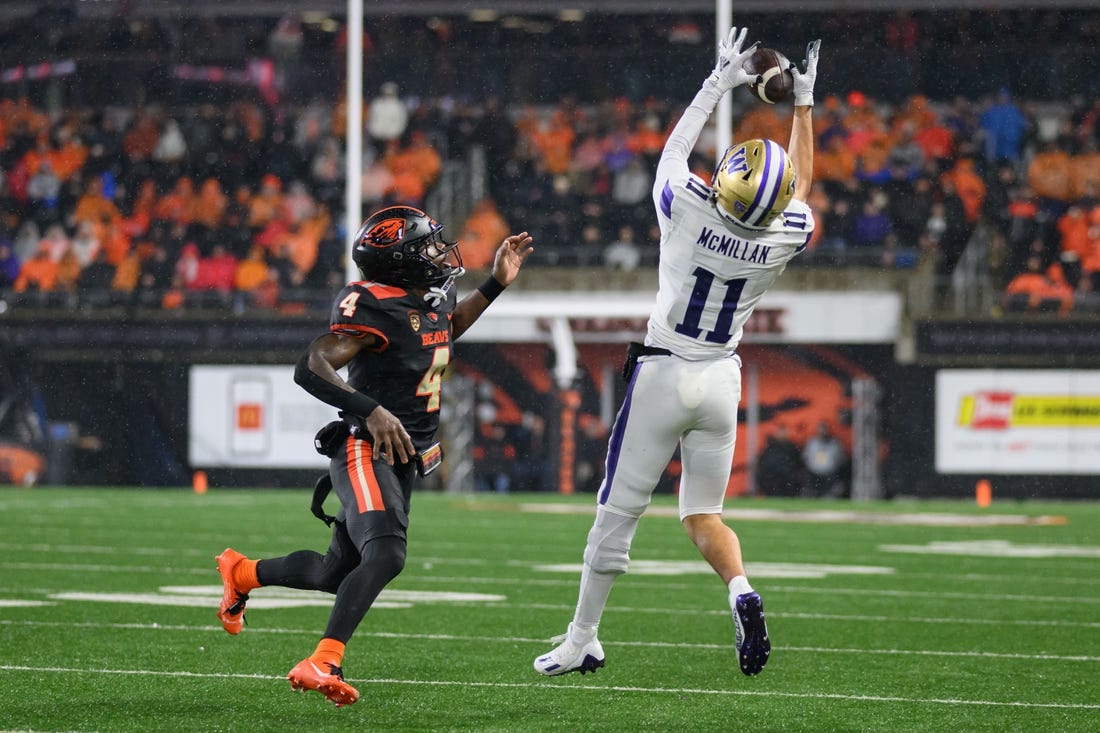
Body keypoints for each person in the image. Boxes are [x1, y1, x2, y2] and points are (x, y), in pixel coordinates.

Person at [533, 27, 819, 679]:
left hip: (665, 371)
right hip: (722, 379)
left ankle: (584, 636)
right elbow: (798, 186)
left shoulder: (690, 208)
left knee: (616, 514)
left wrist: (718, 79)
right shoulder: (787, 234)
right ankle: (740, 588)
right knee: (704, 514)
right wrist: (802, 104)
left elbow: (673, 152)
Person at [216, 205, 533, 707]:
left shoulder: (423, 300)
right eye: (426, 246)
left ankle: (241, 573)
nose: (438, 252)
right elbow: (311, 365)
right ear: (399, 261)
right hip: (366, 447)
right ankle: (323, 660)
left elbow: (442, 330)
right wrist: (371, 409)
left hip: (403, 455)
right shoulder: (372, 304)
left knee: (332, 573)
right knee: (386, 553)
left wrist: (495, 284)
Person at [802, 420, 848, 498]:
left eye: (824, 429)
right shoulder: (812, 442)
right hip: (813, 474)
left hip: (830, 474)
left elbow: (841, 459)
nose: (822, 431)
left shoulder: (835, 444)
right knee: (809, 489)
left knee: (835, 490)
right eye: (821, 429)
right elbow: (805, 457)